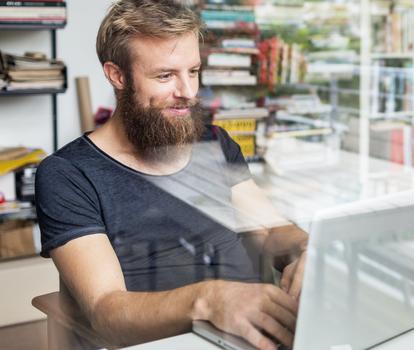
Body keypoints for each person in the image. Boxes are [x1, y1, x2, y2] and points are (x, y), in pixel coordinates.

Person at [35, 1, 307, 349]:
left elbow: (272, 231)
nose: (189, 92)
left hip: (254, 336)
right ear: (117, 75)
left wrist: (305, 248)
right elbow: (107, 310)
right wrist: (209, 300)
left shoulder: (214, 142)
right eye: (165, 76)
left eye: (193, 71)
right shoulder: (68, 174)